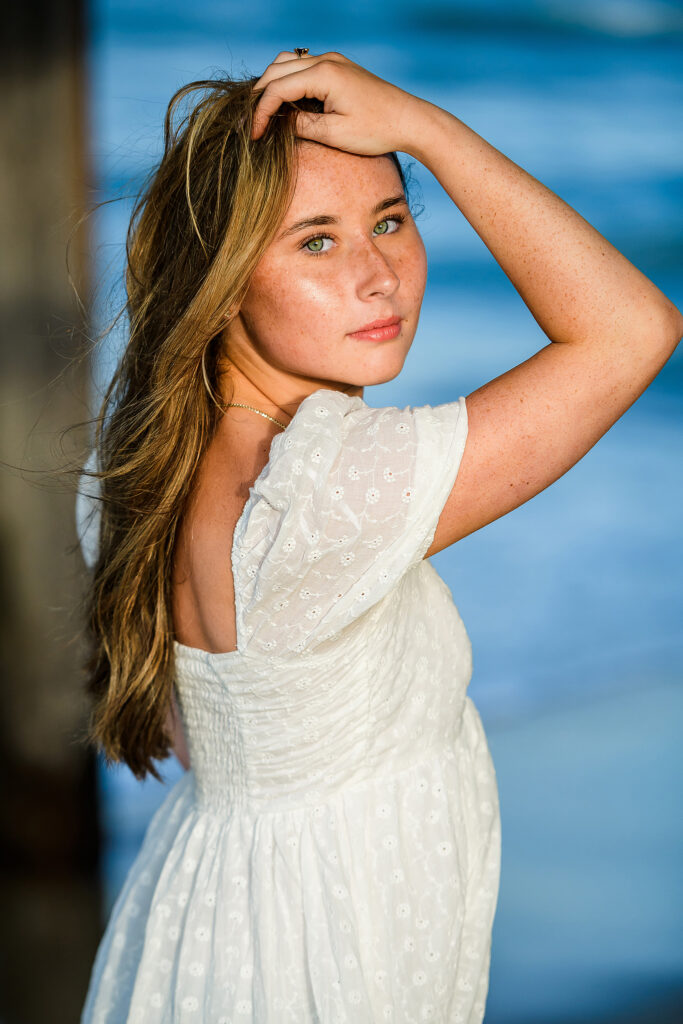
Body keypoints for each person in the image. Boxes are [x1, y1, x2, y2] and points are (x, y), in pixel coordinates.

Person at [75, 49, 682, 1023]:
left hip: (211, 918)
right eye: (313, 243)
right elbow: (630, 327)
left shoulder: (135, 473)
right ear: (224, 283)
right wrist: (426, 131)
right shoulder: (322, 482)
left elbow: (220, 738)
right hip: (335, 948)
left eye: (392, 219)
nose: (376, 274)